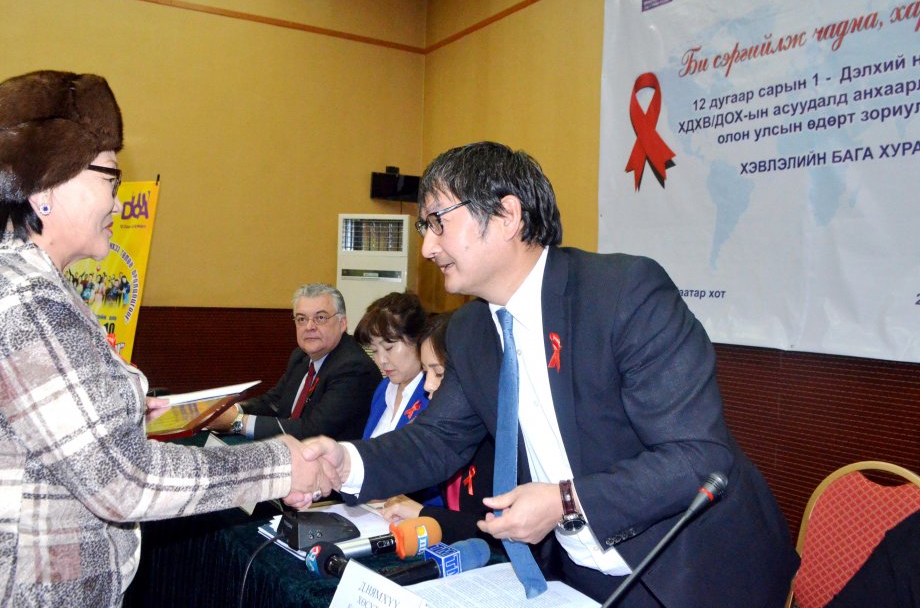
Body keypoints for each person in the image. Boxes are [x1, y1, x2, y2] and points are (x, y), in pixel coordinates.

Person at [303, 141, 798, 607]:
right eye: (424, 229)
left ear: (507, 215)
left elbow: (697, 458)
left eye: (438, 222)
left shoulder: (624, 293)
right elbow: (438, 440)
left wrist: (565, 501)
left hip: (691, 572)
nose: (428, 248)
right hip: (575, 572)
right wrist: (345, 463)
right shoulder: (471, 329)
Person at [0, 71, 335, 606]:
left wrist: (123, 408)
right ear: (46, 189)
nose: (117, 203)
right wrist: (279, 465)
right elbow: (123, 480)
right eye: (110, 180)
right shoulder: (24, 300)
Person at [209, 283, 381, 441]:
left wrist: (237, 422)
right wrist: (233, 410)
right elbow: (275, 401)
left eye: (320, 318)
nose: (309, 327)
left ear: (342, 323)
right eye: (301, 319)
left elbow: (312, 431)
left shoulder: (354, 368)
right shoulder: (301, 356)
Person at [382, 312, 498, 546]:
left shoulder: (496, 439)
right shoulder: (447, 427)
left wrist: (422, 513)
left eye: (440, 373)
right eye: (426, 373)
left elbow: (494, 532)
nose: (428, 385)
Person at [355, 291, 429, 439]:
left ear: (417, 339)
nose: (381, 360)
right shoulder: (384, 389)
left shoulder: (433, 393)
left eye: (389, 348)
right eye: (374, 350)